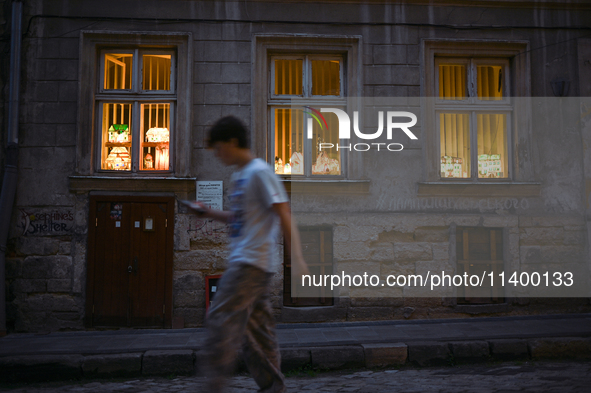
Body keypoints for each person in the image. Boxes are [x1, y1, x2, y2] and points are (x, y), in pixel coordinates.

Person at [187, 116, 309, 393]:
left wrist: (298, 258)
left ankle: (210, 388)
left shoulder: (259, 172)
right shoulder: (240, 176)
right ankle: (273, 388)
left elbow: (283, 212)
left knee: (219, 318)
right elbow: (238, 218)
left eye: (219, 148)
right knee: (256, 335)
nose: (217, 155)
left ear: (232, 142)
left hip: (250, 263)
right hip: (253, 263)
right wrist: (207, 212)